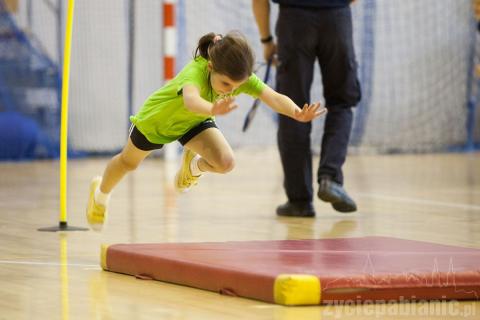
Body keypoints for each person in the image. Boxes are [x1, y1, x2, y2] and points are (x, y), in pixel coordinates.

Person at [86, 31, 326, 231]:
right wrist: (212, 107)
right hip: (157, 122)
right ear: (211, 67)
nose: (230, 90)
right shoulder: (196, 73)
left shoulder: (239, 77)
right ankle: (100, 195)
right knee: (128, 163)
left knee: (226, 162)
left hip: (194, 123)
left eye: (237, 86)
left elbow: (271, 96)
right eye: (226, 85)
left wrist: (296, 113)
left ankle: (192, 167)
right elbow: (191, 100)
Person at [252, 0, 362, 217]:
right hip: (336, 17)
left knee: (292, 108)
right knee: (341, 103)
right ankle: (330, 179)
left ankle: (299, 201)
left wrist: (266, 40)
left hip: (293, 21)